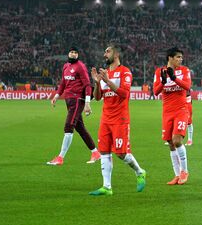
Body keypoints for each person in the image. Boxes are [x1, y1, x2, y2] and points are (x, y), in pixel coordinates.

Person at [89, 45, 146, 196]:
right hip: (105, 119)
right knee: (104, 151)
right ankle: (107, 187)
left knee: (121, 153)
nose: (104, 54)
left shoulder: (125, 72)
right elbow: (97, 97)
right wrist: (96, 82)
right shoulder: (105, 73)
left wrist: (107, 81)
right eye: (104, 51)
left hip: (120, 119)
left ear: (116, 54)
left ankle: (140, 172)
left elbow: (124, 94)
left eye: (107, 51)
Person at [47, 46, 100, 165]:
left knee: (68, 126)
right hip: (68, 100)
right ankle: (95, 153)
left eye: (76, 52)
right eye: (72, 52)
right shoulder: (66, 66)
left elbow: (87, 85)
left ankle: (60, 157)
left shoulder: (80, 66)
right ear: (68, 53)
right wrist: (56, 96)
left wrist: (87, 103)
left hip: (77, 100)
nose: (74, 54)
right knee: (80, 128)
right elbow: (63, 83)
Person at [153, 47, 192, 185]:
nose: (181, 59)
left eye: (181, 57)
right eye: (178, 57)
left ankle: (184, 171)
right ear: (170, 58)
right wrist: (163, 82)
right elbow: (155, 92)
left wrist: (174, 78)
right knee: (170, 143)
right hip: (167, 112)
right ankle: (176, 175)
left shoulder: (184, 70)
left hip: (181, 110)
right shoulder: (159, 72)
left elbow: (187, 86)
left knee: (177, 141)